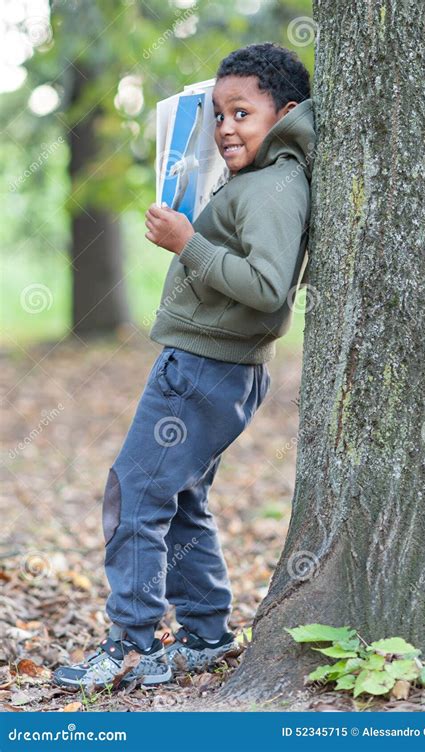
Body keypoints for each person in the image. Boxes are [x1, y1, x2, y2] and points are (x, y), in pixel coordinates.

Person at [53, 41, 315, 691]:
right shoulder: (266, 179)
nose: (225, 127)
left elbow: (268, 286)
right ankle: (204, 633)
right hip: (216, 366)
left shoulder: (275, 187)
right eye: (218, 114)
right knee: (180, 496)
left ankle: (133, 644)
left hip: (203, 367)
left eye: (242, 113)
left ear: (284, 113)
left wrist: (187, 242)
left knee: (134, 495)